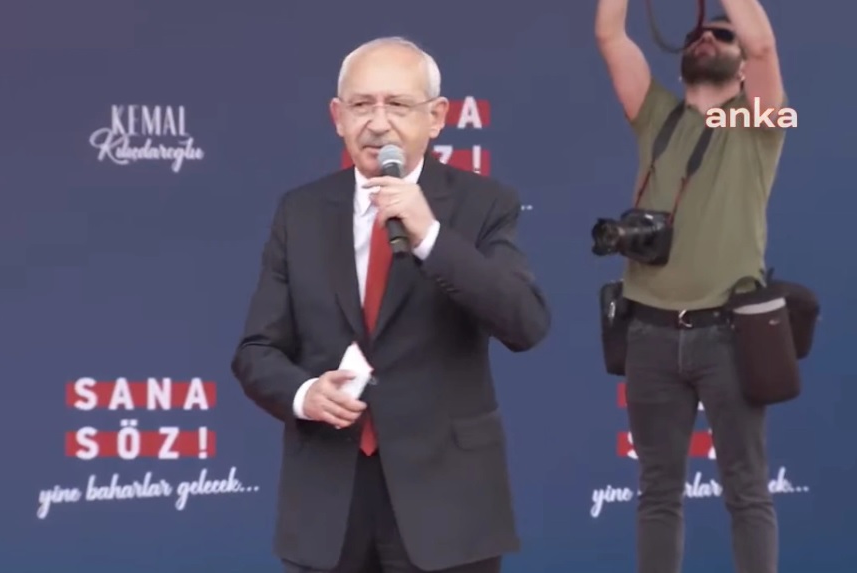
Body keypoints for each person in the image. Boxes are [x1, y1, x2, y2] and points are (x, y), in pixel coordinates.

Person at [232, 36, 550, 573]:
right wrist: (306, 394)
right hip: (328, 502)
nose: (378, 123)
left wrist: (431, 237)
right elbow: (255, 351)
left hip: (448, 505)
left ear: (436, 117)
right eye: (362, 105)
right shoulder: (300, 212)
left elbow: (526, 322)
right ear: (338, 117)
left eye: (398, 105)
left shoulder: (485, 204)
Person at [594, 0, 787, 572]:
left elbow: (763, 43)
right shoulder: (656, 113)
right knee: (657, 492)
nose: (708, 37)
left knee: (747, 491)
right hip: (648, 333)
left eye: (723, 34)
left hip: (729, 332)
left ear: (744, 69)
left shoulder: (759, 123)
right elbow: (610, 34)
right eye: (699, 32)